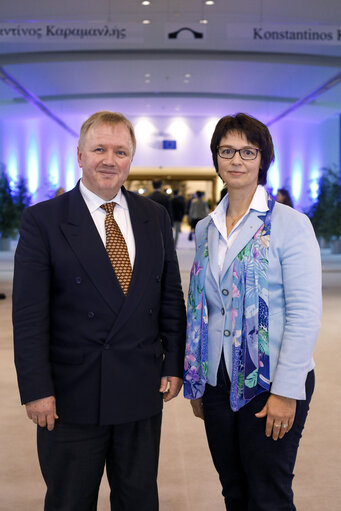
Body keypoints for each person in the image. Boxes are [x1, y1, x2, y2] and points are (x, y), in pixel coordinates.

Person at [12, 111, 186, 511]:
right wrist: (37, 389)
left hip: (141, 388)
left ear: (131, 159)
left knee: (139, 498)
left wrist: (173, 363)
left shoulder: (154, 217)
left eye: (121, 151)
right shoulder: (44, 220)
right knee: (70, 500)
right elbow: (29, 316)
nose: (110, 159)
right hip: (72, 393)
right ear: (79, 154)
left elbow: (170, 298)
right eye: (99, 149)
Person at [184, 112, 321, 511]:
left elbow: (304, 313)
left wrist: (286, 391)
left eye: (248, 150)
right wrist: (200, 377)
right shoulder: (207, 228)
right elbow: (206, 306)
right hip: (217, 381)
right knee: (234, 490)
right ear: (216, 159)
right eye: (227, 151)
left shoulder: (291, 225)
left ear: (263, 159)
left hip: (270, 380)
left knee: (268, 494)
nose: (237, 160)